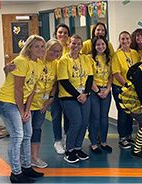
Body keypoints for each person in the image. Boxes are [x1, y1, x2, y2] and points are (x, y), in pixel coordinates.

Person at [0, 35, 45, 183]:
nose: (40, 49)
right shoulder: (21, 61)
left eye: (42, 46)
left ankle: (26, 167)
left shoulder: (38, 63)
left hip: (22, 102)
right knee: (18, 135)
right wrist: (22, 111)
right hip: (7, 102)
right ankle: (16, 173)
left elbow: (32, 89)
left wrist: (26, 109)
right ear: (29, 47)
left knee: (27, 133)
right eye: (36, 46)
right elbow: (18, 90)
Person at [57, 34, 93, 164]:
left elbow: (90, 77)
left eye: (79, 44)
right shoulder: (63, 60)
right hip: (68, 97)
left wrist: (86, 94)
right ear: (68, 45)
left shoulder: (86, 59)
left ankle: (78, 147)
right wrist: (78, 96)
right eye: (73, 43)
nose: (76, 46)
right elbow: (64, 81)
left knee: (84, 123)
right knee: (76, 123)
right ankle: (69, 150)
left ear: (82, 46)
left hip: (84, 96)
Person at [30, 39, 62, 168]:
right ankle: (22, 160)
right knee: (26, 132)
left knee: (37, 129)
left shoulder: (55, 64)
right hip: (29, 102)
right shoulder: (37, 62)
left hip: (42, 104)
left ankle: (34, 158)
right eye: (53, 50)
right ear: (46, 49)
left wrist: (51, 98)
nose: (56, 53)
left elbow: (54, 83)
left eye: (59, 51)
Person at [111, 31, 140, 149]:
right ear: (120, 41)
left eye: (127, 38)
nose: (125, 41)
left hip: (132, 89)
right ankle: (122, 138)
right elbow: (116, 73)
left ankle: (128, 136)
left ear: (131, 40)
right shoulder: (117, 55)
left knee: (130, 114)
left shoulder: (135, 53)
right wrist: (127, 85)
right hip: (120, 88)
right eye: (122, 39)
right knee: (123, 113)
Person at [88, 35, 113, 154]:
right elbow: (89, 77)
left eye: (103, 44)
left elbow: (110, 76)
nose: (101, 46)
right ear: (94, 46)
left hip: (106, 92)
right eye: (98, 44)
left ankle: (104, 142)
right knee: (95, 119)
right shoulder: (90, 58)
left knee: (104, 119)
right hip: (94, 92)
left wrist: (108, 90)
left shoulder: (109, 58)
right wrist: (97, 91)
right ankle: (93, 143)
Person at [52, 23, 71, 154]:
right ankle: (58, 141)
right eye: (60, 32)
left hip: (69, 87)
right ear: (56, 34)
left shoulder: (71, 48)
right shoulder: (51, 48)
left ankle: (67, 138)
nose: (62, 35)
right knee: (56, 115)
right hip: (55, 87)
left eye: (65, 32)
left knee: (69, 115)